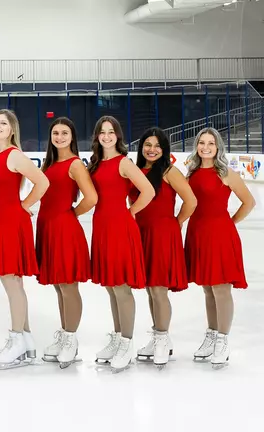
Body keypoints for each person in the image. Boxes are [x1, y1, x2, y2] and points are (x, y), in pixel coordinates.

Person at [87, 116, 154, 373]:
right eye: (102, 132)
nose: (106, 136)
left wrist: (131, 212)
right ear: (97, 136)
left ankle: (127, 341)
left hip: (119, 228)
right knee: (110, 287)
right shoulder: (95, 164)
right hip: (101, 227)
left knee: (122, 287)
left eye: (111, 132)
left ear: (118, 135)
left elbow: (148, 191)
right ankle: (117, 337)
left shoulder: (124, 162)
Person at [184, 127, 255, 369]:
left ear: (218, 147)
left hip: (219, 235)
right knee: (207, 289)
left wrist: (230, 223)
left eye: (210, 143)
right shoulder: (191, 173)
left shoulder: (225, 173)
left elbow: (249, 201)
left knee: (221, 289)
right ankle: (212, 334)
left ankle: (223, 340)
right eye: (201, 142)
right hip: (197, 233)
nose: (205, 147)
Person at [0, 109, 49, 370]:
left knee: (12, 282)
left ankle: (16, 338)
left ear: (12, 129)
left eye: (3, 123)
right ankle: (27, 339)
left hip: (11, 223)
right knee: (12, 282)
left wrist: (24, 204)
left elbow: (42, 182)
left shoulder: (14, 155)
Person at [129, 127, 196, 369]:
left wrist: (175, 223)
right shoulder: (136, 171)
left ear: (164, 149)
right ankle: (158, 336)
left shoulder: (169, 171)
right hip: (142, 234)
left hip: (163, 235)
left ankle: (162, 338)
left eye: (157, 145)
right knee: (150, 289)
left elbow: (191, 201)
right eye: (148, 144)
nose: (152, 149)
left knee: (159, 290)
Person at [36, 117, 96, 368]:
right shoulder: (50, 164)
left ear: (72, 137)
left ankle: (71, 339)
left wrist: (71, 214)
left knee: (69, 286)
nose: (59, 137)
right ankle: (64, 333)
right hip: (47, 227)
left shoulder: (74, 165)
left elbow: (91, 197)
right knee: (59, 286)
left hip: (64, 229)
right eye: (55, 133)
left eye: (64, 133)